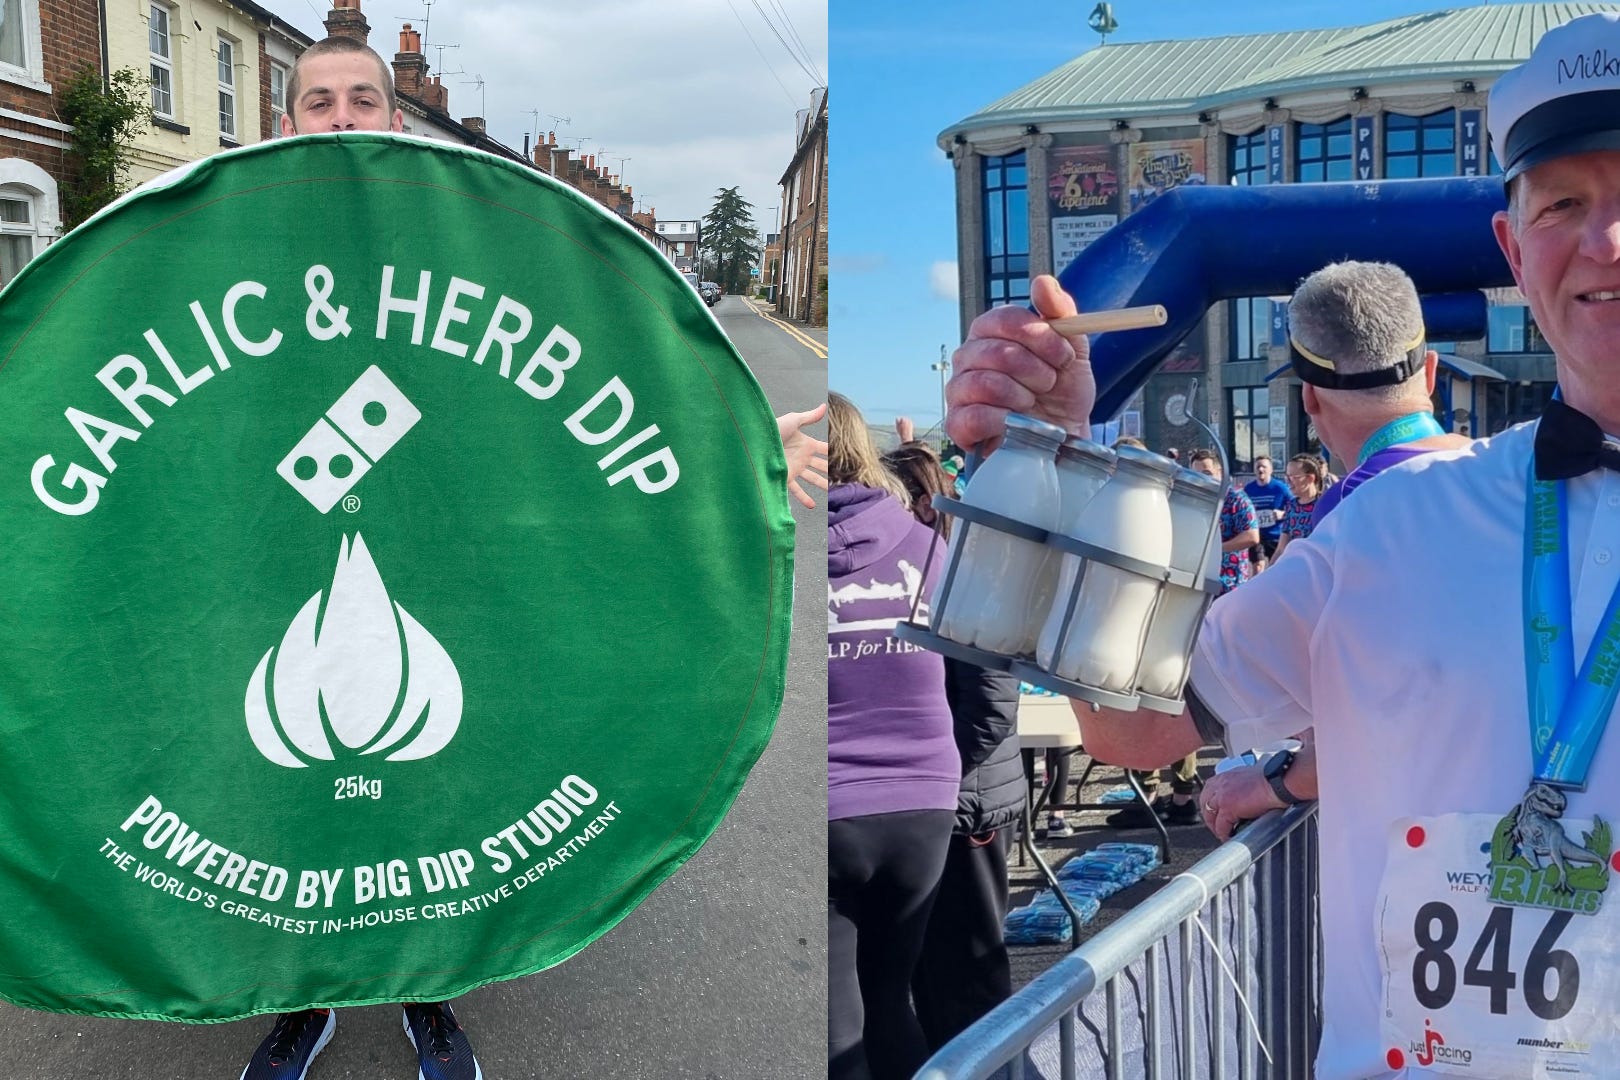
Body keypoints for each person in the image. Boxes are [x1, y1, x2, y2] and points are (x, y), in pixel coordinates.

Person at [945, 16, 1620, 1071]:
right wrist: (1061, 472)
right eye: (1565, 203)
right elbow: (1137, 731)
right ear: (1511, 246)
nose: (1607, 242)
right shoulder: (1398, 526)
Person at [242, 35, 831, 1080]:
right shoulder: (224, 245)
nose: (340, 118)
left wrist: (737, 454)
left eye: (362, 99)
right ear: (286, 120)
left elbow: (590, 414)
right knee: (296, 813)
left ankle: (427, 990)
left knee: (429, 795)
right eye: (318, 101)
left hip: (440, 569)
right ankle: (307, 996)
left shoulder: (470, 250)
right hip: (277, 570)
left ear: (393, 118)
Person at [1201, 262, 1476, 839]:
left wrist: (1271, 784)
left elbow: (1136, 734)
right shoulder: (1519, 481)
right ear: (1429, 372)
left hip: (1407, 871)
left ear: (1310, 399)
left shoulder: (1348, 523)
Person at [828, 393, 958, 1080]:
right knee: (891, 999)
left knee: (839, 1026)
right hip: (925, 802)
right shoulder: (926, 542)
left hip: (836, 806)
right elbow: (969, 668)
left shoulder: (783, 551)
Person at [881, 443, 1024, 1050]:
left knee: (969, 977)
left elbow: (990, 707)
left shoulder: (968, 571)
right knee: (928, 978)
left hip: (968, 805)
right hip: (946, 798)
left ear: (919, 501)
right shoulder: (922, 569)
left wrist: (930, 775)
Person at [1271, 452, 1326, 562]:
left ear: (1310, 478)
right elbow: (1281, 548)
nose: (1288, 482)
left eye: (1294, 477)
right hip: (1295, 566)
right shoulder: (1291, 506)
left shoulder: (1324, 505)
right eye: (1287, 477)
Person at [1242, 455, 1291, 568]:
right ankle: (1256, 585)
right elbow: (1243, 510)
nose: (1260, 469)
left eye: (1264, 467)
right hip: (1257, 535)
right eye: (1258, 467)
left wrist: (1283, 514)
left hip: (1276, 535)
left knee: (1276, 567)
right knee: (1258, 565)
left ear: (1270, 469)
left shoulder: (1281, 488)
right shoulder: (1248, 489)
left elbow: (1294, 507)